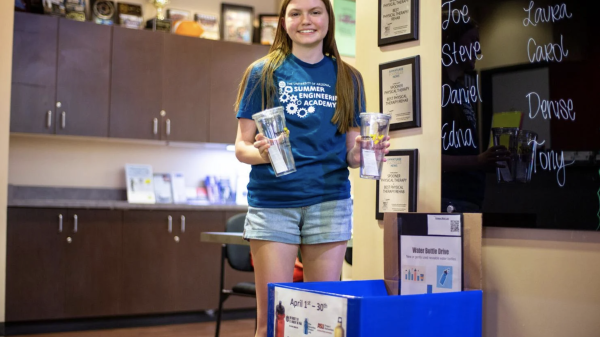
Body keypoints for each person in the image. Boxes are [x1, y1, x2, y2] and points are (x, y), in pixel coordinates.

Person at [234, 0, 389, 336]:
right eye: (295, 13)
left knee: (323, 321)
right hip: (274, 203)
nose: (306, 20)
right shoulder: (262, 73)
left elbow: (351, 152)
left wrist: (363, 154)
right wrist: (265, 152)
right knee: (272, 323)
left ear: (328, 19)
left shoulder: (349, 78)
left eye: (315, 12)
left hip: (329, 202)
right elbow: (241, 147)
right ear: (284, 22)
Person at [441, 18, 510, 212]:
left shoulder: (461, 90)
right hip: (450, 200)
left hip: (467, 198)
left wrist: (486, 160)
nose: (478, 51)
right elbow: (429, 158)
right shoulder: (436, 91)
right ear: (452, 41)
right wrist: (479, 161)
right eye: (472, 41)